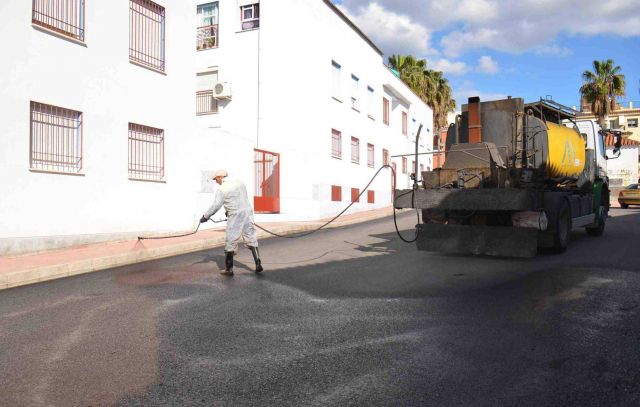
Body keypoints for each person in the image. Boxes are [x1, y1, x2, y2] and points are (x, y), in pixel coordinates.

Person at [200, 170, 263, 276]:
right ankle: (258, 264)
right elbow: (240, 198)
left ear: (220, 177)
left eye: (216, 179)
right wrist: (229, 209)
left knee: (231, 240)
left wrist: (205, 217)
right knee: (251, 237)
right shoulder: (240, 183)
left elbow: (216, 205)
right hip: (247, 213)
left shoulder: (222, 189)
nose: (216, 182)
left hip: (235, 216)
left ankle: (229, 269)